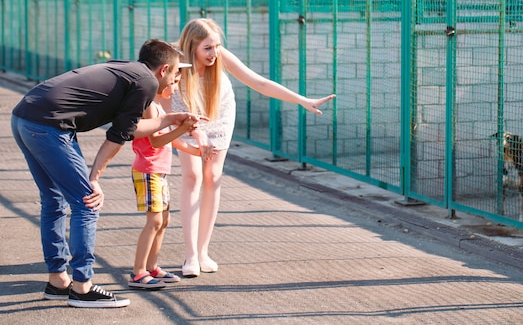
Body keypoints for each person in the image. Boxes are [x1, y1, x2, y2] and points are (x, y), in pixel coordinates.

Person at [11, 39, 205, 308]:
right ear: (163, 71)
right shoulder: (148, 83)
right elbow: (118, 136)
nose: (175, 79)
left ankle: (58, 281)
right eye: (174, 74)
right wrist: (95, 178)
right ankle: (82, 287)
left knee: (54, 201)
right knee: (87, 203)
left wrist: (170, 119)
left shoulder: (129, 70)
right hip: (49, 126)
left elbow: (129, 127)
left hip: (25, 117)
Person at [166, 18, 336, 277]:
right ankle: (190, 255)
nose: (214, 53)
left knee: (213, 177)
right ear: (192, 47)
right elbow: (159, 100)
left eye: (217, 46)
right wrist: (185, 136)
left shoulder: (220, 56)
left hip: (218, 113)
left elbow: (259, 83)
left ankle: (203, 251)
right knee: (192, 177)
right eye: (207, 48)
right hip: (185, 114)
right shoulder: (177, 60)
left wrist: (302, 100)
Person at [129, 65, 207, 289]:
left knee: (163, 221)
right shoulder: (150, 109)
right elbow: (155, 141)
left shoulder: (160, 110)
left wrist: (195, 151)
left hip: (159, 171)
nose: (175, 87)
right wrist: (183, 128)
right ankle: (138, 272)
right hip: (148, 169)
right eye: (173, 82)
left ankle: (152, 267)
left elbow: (169, 139)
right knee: (154, 221)